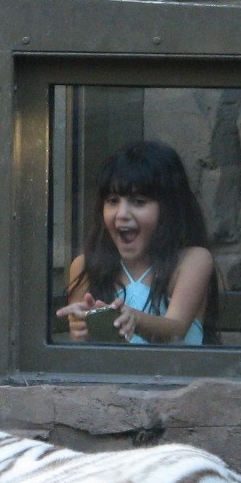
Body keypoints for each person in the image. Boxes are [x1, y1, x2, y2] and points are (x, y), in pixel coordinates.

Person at [57, 140, 213, 345]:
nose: (122, 214)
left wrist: (133, 318)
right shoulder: (85, 266)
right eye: (112, 201)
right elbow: (80, 354)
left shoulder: (192, 260)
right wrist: (81, 330)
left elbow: (175, 329)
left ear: (169, 208)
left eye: (139, 202)